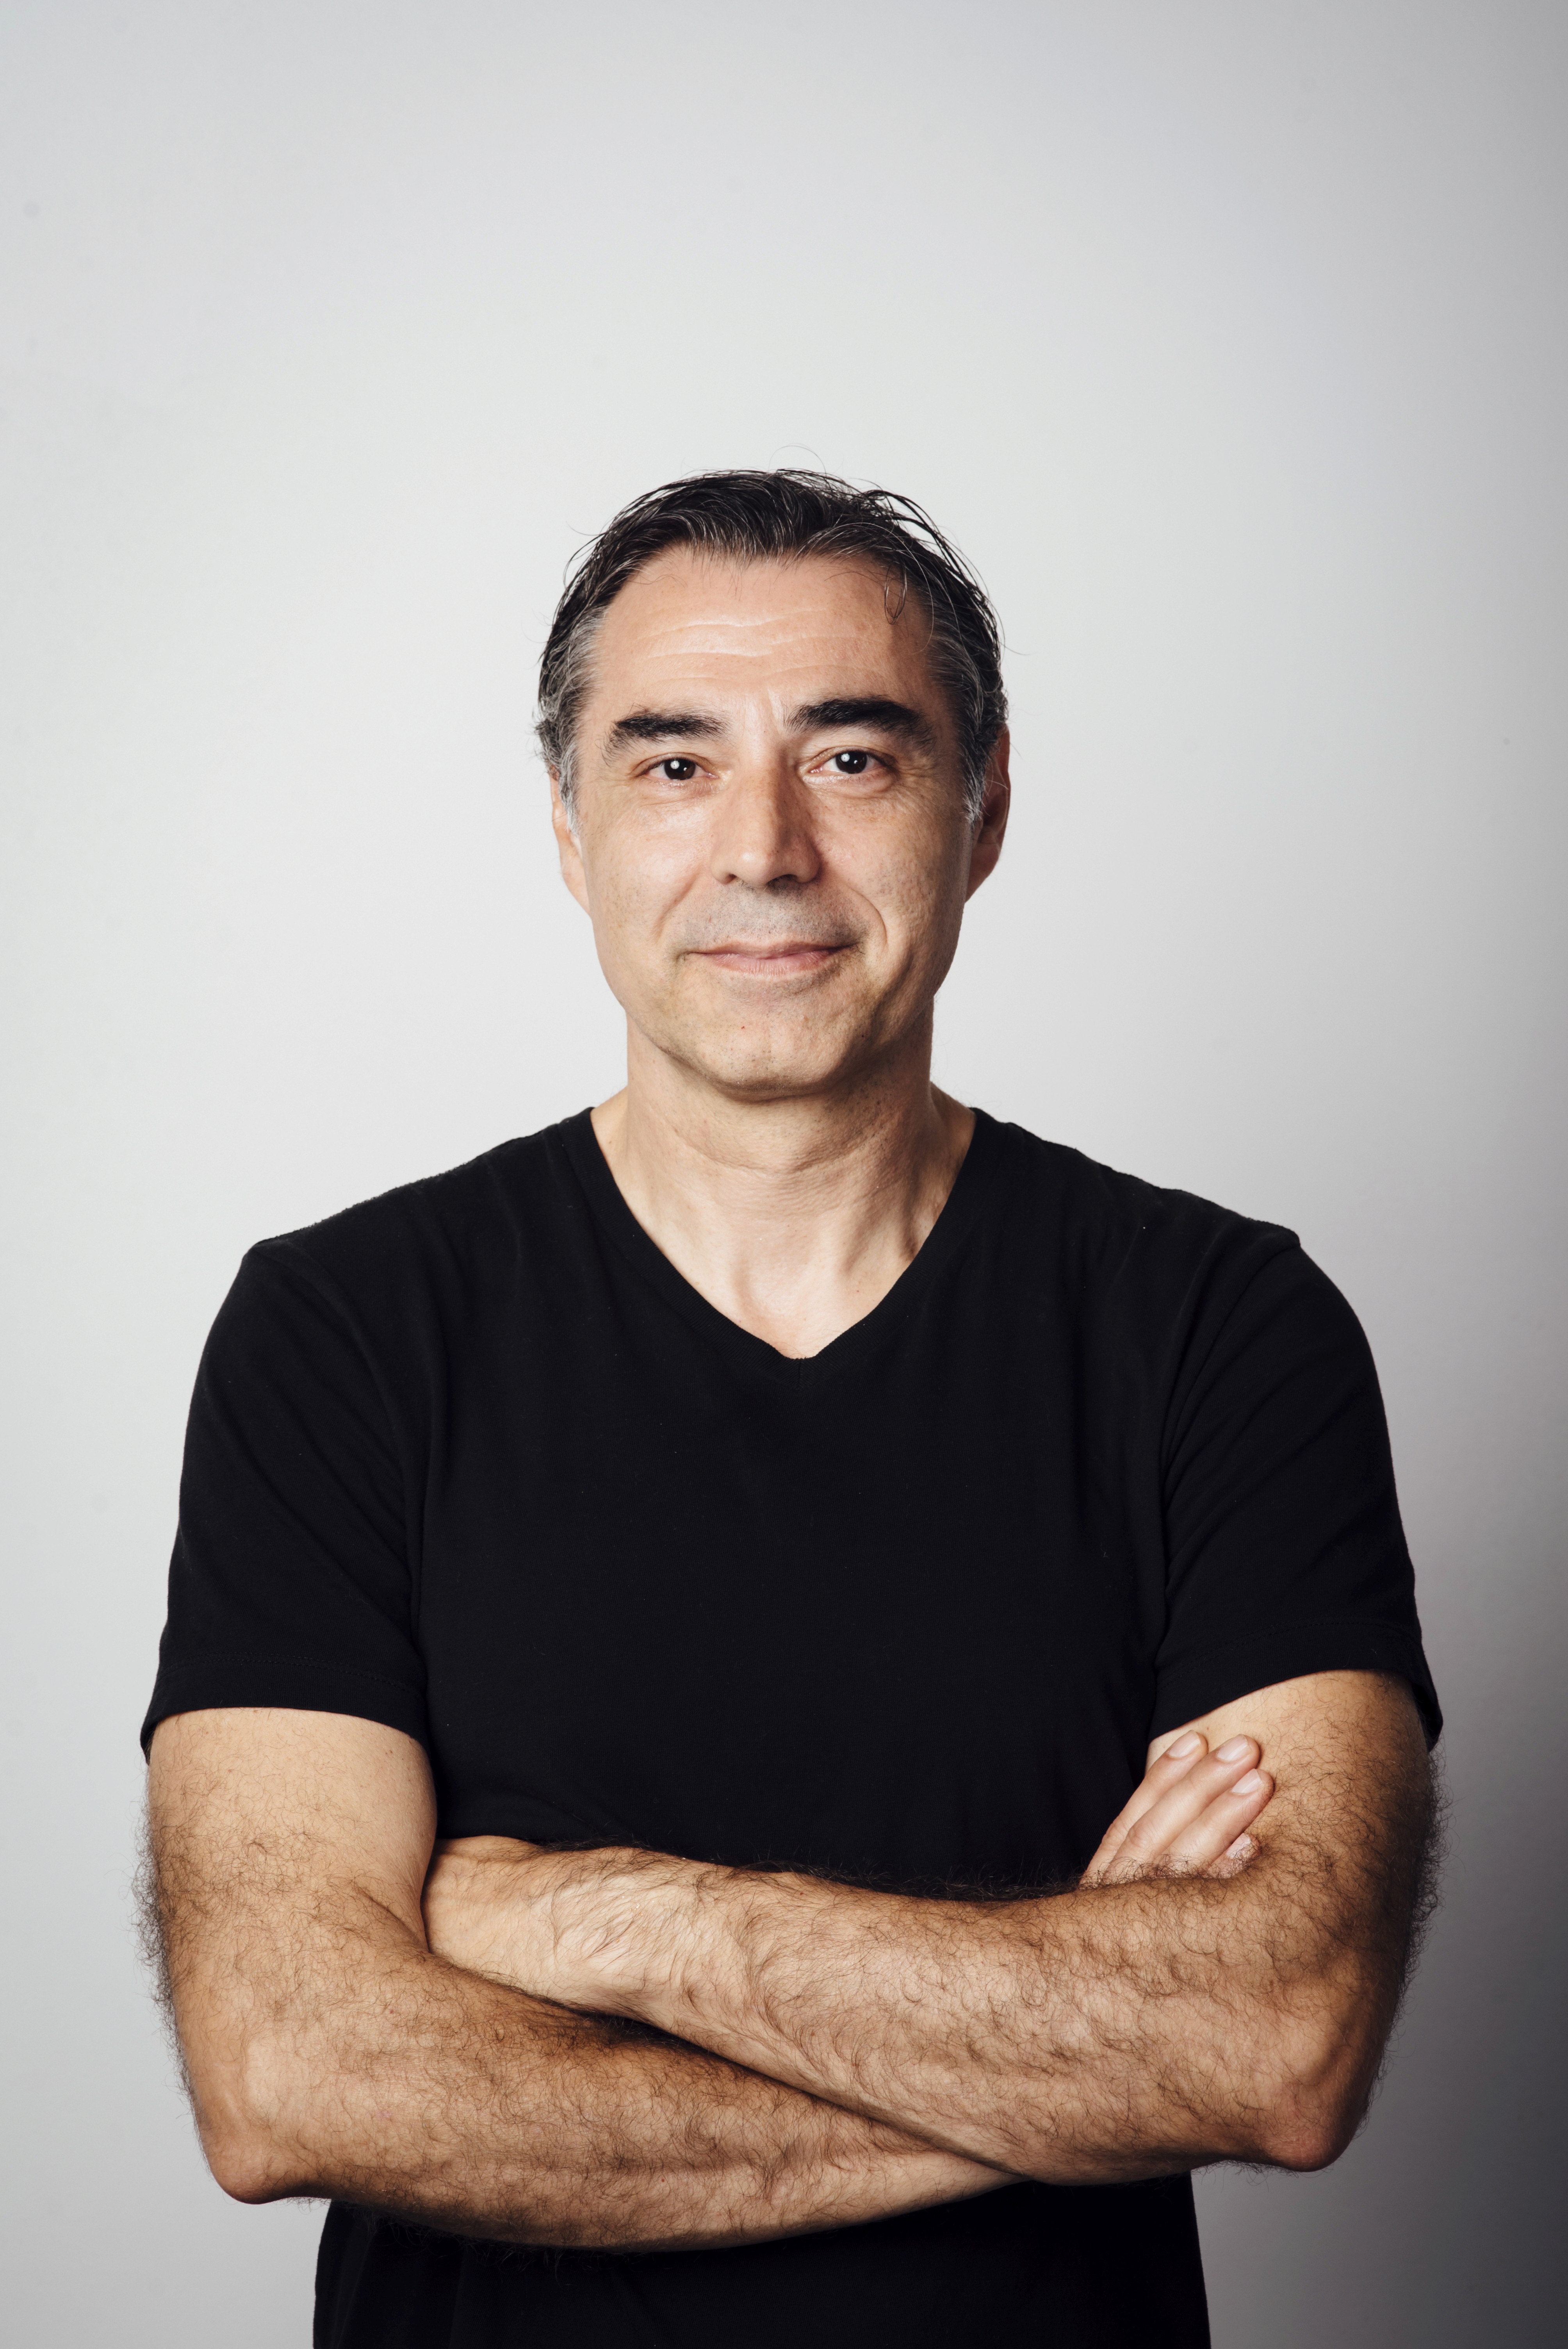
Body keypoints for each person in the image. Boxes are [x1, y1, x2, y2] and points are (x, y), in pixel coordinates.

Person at [142, 469, 1440, 2349]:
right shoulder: (342, 1333)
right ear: (570, 832)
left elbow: (1273, 2035)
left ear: (981, 812)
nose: (761, 847)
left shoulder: (1219, 1329)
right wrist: (1068, 2061)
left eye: (849, 758)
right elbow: (292, 2073)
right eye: (672, 764)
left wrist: (599, 1919)